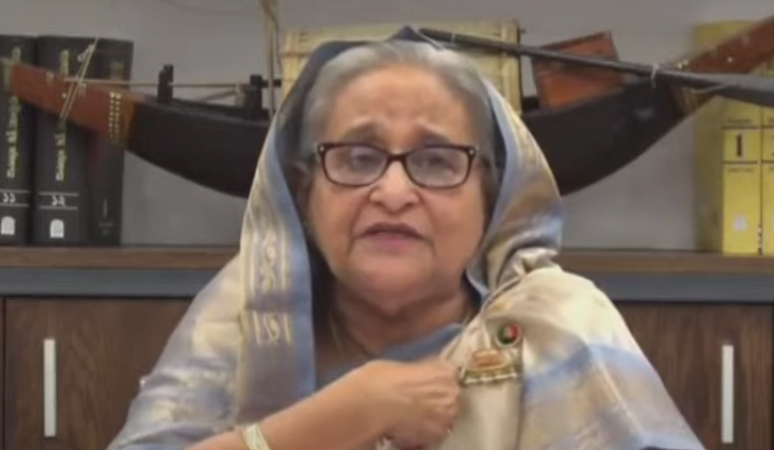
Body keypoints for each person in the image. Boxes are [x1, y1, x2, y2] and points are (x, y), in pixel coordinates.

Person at [106, 27, 705, 450]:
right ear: (305, 194)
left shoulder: (558, 325)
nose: (393, 192)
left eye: (437, 161)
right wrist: (346, 415)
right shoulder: (251, 309)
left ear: (492, 200)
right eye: (358, 157)